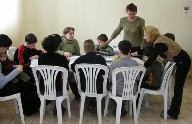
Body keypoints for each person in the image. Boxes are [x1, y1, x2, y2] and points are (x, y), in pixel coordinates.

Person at [142, 26, 191, 119]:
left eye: (145, 35)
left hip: (183, 62)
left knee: (178, 88)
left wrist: (143, 65)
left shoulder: (158, 44)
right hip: (183, 59)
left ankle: (173, 113)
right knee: (178, 88)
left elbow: (152, 58)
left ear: (150, 35)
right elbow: (148, 50)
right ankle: (173, 111)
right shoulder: (159, 40)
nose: (144, 37)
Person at [0, 34, 40, 116]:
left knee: (30, 83)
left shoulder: (2, 55)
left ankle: (33, 108)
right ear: (1, 46)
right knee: (25, 86)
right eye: (6, 48)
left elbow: (6, 66)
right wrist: (16, 71)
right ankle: (28, 110)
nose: (7, 50)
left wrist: (15, 66)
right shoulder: (20, 49)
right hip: (2, 87)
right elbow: (1, 83)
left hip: (6, 76)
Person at [71, 39, 107, 112]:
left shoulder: (81, 59)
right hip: (99, 87)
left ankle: (91, 102)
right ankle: (95, 103)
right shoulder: (100, 58)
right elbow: (104, 72)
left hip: (84, 87)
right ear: (94, 48)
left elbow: (73, 67)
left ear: (84, 50)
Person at [38, 35, 69, 116]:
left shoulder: (41, 57)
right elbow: (66, 72)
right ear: (58, 46)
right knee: (64, 81)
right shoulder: (61, 58)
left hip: (43, 89)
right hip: (58, 90)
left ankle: (56, 106)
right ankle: (59, 106)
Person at [108, 40, 138, 117]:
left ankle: (118, 107)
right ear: (130, 51)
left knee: (109, 86)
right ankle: (122, 106)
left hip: (117, 90)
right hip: (131, 90)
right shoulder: (135, 63)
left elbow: (110, 78)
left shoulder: (114, 63)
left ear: (119, 51)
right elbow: (137, 78)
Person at [59, 28, 81, 99]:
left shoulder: (75, 41)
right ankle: (74, 92)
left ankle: (75, 92)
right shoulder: (60, 41)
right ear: (65, 34)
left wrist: (74, 57)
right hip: (61, 62)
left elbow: (78, 54)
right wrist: (63, 53)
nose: (72, 35)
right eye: (70, 33)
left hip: (71, 61)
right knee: (69, 75)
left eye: (73, 33)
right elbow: (56, 51)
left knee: (71, 74)